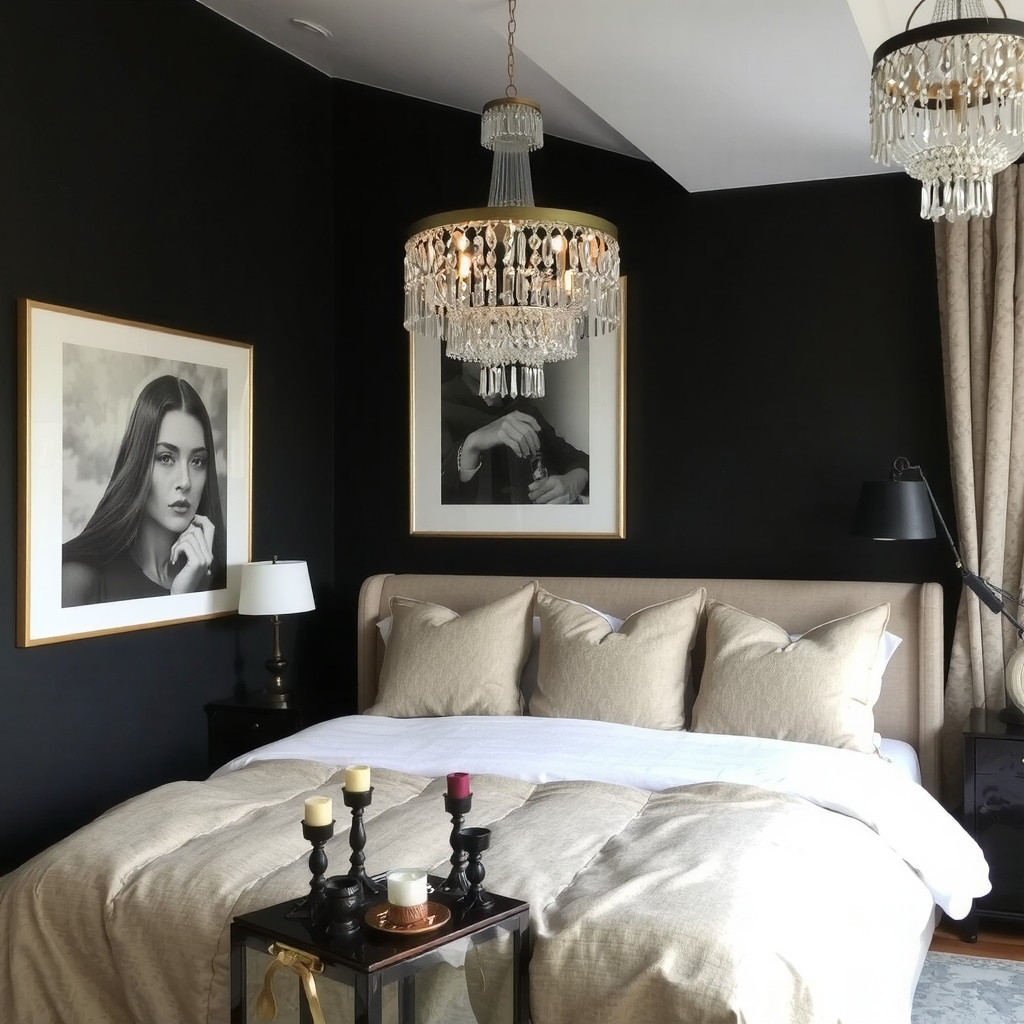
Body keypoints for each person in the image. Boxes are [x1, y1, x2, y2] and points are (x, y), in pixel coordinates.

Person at [61, 374, 227, 606]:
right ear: (137, 463)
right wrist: (179, 603)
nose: (185, 481)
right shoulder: (79, 578)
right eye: (166, 458)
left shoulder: (213, 576)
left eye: (197, 461)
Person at [441, 360, 589, 504]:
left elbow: (580, 460)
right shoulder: (437, 403)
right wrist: (471, 444)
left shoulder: (522, 408)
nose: (493, 353)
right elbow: (433, 492)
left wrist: (573, 482)